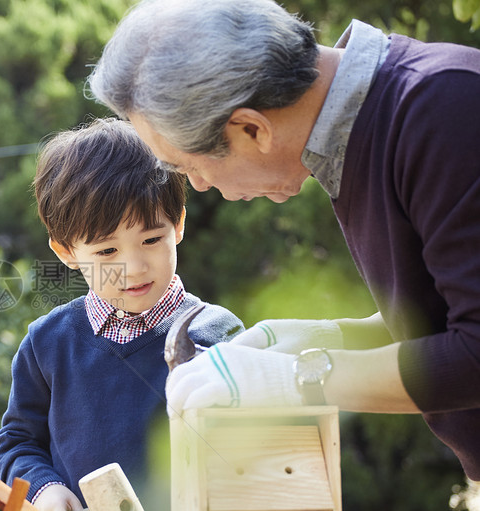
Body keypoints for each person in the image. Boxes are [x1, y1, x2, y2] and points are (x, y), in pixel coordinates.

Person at [87, 0, 480, 482]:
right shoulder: (367, 136)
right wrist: (314, 342)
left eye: (189, 167)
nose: (202, 186)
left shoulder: (443, 112)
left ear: (252, 127)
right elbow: (441, 316)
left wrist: (303, 380)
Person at [0, 117, 243, 511]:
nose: (133, 266)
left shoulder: (216, 334)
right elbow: (16, 442)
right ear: (66, 252)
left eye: (151, 239)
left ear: (179, 225)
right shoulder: (47, 345)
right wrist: (44, 488)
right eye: (106, 251)